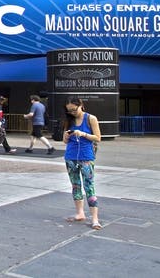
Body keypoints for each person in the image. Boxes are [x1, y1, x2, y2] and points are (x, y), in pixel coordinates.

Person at [62, 97, 102, 229]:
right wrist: (66, 136)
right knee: (75, 185)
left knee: (89, 186)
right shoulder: (69, 120)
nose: (73, 113)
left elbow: (98, 138)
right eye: (70, 111)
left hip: (86, 156)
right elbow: (65, 141)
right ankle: (80, 213)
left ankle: (95, 218)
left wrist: (83, 134)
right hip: (71, 156)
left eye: (74, 109)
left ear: (81, 105)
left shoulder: (91, 118)